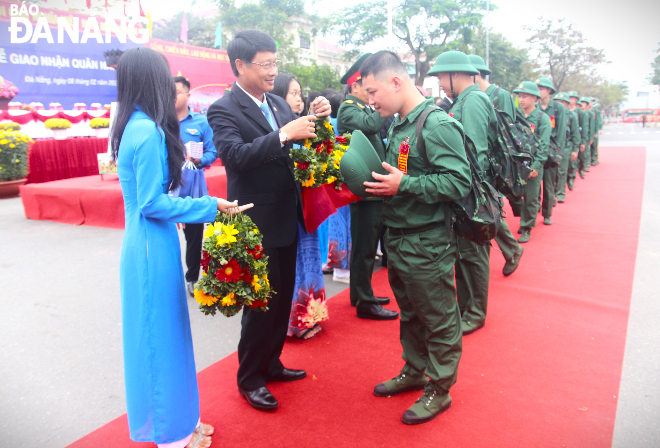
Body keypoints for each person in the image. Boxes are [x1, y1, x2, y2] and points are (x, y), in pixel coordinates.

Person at [113, 47, 252, 448]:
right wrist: (211, 205)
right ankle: (171, 435)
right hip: (149, 247)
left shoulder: (135, 126)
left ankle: (180, 421)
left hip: (152, 243)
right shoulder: (147, 130)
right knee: (161, 340)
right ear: (153, 81)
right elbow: (152, 203)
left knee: (169, 335)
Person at [206, 30, 331, 411]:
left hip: (286, 215)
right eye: (266, 64)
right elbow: (236, 156)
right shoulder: (223, 108)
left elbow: (298, 143)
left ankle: (272, 363)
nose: (273, 71)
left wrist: (315, 120)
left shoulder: (277, 102)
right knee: (260, 304)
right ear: (240, 65)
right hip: (255, 220)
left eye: (275, 63)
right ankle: (250, 378)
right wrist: (282, 135)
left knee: (281, 299)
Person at [361, 51, 471, 425]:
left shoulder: (436, 124)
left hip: (427, 243)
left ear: (396, 82)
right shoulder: (400, 124)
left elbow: (459, 182)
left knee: (439, 317)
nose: (370, 100)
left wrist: (403, 184)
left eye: (373, 90)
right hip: (401, 238)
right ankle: (414, 370)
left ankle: (440, 389)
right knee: (411, 313)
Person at [428, 50, 495, 336]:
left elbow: (476, 152)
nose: (441, 83)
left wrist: (463, 192)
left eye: (442, 76)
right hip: (464, 191)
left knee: (474, 253)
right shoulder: (463, 100)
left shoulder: (475, 100)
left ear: (456, 74)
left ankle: (476, 312)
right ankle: (466, 307)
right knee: (464, 252)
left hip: (471, 193)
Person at [337, 53, 398, 321]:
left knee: (366, 245)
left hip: (373, 187)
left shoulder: (360, 108)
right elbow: (373, 124)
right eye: (368, 87)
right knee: (364, 248)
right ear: (354, 87)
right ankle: (364, 301)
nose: (372, 95)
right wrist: (386, 104)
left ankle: (360, 294)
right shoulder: (349, 109)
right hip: (365, 191)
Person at [272, 73, 328, 339]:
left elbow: (324, 149)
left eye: (299, 93)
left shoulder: (304, 125)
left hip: (307, 205)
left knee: (310, 259)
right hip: (288, 208)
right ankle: (295, 321)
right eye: (292, 93)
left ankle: (310, 315)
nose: (298, 97)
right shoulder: (278, 131)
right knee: (295, 264)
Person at [469, 54, 524, 277]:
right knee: (488, 210)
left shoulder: (500, 96)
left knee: (490, 210)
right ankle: (511, 249)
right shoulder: (474, 96)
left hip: (496, 165)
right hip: (481, 165)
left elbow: (509, 134)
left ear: (473, 74)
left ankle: (512, 249)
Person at [173, 75, 218, 296]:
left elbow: (212, 151)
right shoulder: (161, 120)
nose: (172, 95)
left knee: (194, 235)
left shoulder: (200, 122)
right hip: (167, 189)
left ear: (188, 95)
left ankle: (192, 277)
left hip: (193, 188)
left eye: (177, 91)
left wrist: (198, 159)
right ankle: (169, 278)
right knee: (167, 234)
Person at [513, 82, 551, 244]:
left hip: (534, 165)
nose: (521, 99)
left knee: (531, 196)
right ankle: (526, 219)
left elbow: (544, 146)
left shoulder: (542, 119)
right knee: (515, 194)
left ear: (535, 98)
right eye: (519, 96)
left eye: (525, 96)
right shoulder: (516, 116)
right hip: (517, 164)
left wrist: (536, 166)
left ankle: (527, 227)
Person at [535, 78, 566, 223]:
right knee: (535, 185)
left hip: (551, 151)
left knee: (548, 184)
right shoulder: (535, 107)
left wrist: (559, 150)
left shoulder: (557, 107)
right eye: (538, 88)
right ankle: (535, 209)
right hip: (537, 150)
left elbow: (561, 130)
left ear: (549, 91)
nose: (539, 91)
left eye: (542, 88)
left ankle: (547, 214)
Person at [553, 92, 580, 203]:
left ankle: (560, 193)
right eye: (557, 102)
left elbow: (575, 133)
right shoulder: (552, 115)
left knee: (562, 171)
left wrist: (575, 149)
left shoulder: (571, 115)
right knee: (552, 172)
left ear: (567, 103)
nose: (559, 104)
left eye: (562, 102)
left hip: (566, 146)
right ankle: (553, 193)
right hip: (553, 147)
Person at [566, 91, 583, 190]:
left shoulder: (579, 112)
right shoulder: (563, 111)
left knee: (572, 163)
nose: (571, 100)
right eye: (570, 98)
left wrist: (582, 141)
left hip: (574, 139)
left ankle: (571, 178)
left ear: (576, 100)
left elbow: (583, 127)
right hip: (566, 141)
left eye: (573, 98)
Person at [578, 97, 592, 178]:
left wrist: (589, 137)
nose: (582, 104)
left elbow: (588, 126)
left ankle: (582, 168)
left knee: (583, 154)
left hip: (584, 135)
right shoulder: (575, 112)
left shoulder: (587, 113)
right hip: (575, 136)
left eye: (584, 102)